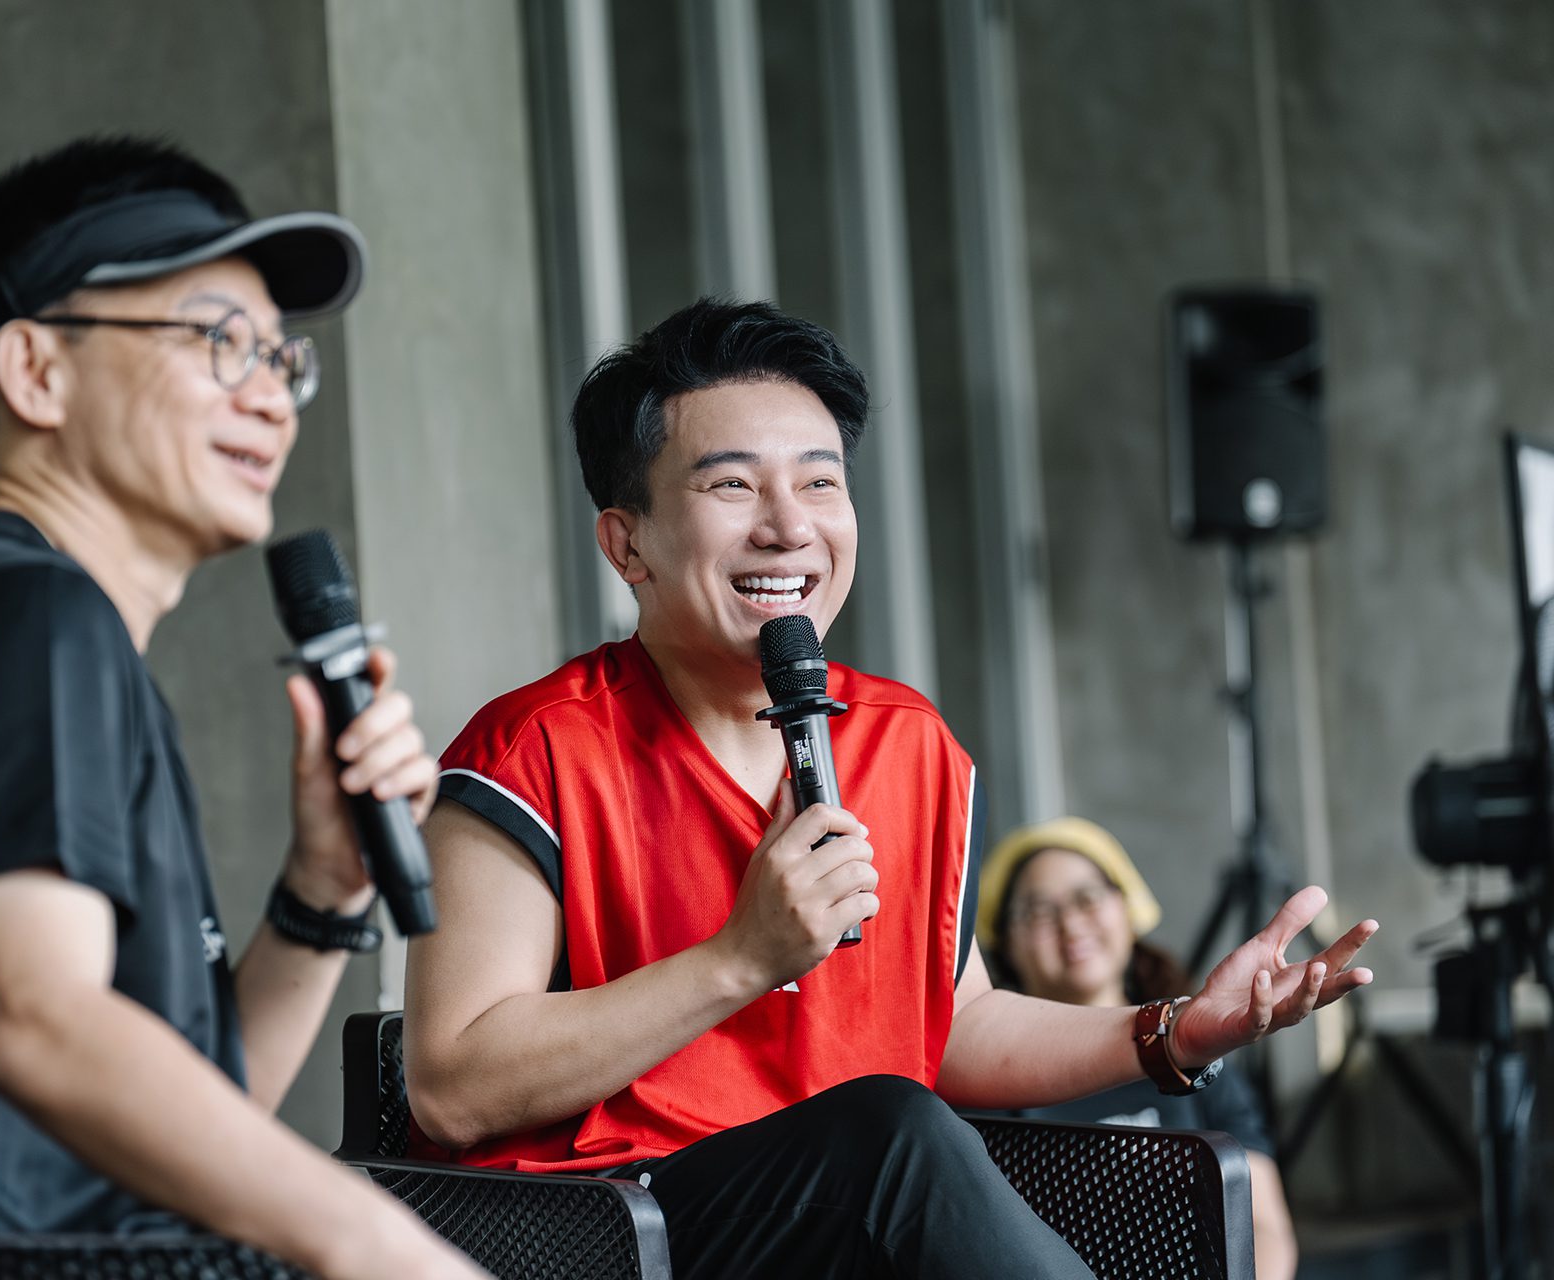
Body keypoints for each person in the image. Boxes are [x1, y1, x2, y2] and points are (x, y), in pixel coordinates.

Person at [405, 297, 1377, 1277]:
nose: (790, 526)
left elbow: (957, 1026)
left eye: (819, 482)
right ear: (627, 544)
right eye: (733, 484)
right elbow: (452, 1086)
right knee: (890, 1133)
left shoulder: (908, 742)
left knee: (896, 1135)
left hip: (842, 1223)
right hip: (614, 1232)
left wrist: (1171, 1031)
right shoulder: (530, 749)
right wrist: (742, 958)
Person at [0, 136, 482, 1280]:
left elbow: (183, 1128)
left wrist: (321, 892)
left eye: (280, 357)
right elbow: (35, 1021)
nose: (271, 397)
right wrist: (382, 1248)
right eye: (217, 340)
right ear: (37, 372)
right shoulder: (26, 619)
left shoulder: (5, 617)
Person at [982, 817, 1299, 1280]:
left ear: (1126, 908)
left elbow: (1263, 1227)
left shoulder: (1203, 1062)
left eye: (1087, 898)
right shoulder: (985, 1083)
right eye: (1038, 911)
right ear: (1005, 944)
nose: (1070, 923)